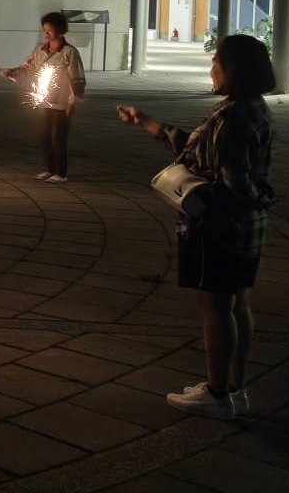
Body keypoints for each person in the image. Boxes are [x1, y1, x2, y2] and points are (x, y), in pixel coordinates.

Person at [117, 34, 274, 419]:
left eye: (217, 61)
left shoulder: (232, 116)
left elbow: (234, 178)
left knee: (216, 307)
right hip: (247, 227)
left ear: (234, 68)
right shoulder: (252, 107)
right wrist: (145, 121)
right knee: (239, 304)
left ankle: (217, 394)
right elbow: (196, 146)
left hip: (220, 225)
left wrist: (255, 194)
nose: (212, 68)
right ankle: (235, 387)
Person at [2, 11, 87, 182]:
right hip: (44, 101)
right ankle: (50, 169)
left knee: (58, 137)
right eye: (44, 30)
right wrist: (13, 72)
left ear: (60, 30)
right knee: (46, 137)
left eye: (50, 30)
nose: (46, 33)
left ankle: (61, 173)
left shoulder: (69, 52)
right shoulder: (40, 50)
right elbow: (28, 67)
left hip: (61, 103)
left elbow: (77, 78)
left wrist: (73, 101)